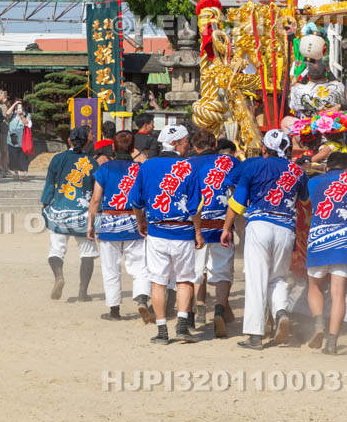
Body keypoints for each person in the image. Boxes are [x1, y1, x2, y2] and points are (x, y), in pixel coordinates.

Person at [221, 129, 309, 350]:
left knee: (256, 279)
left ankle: (255, 334)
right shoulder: (297, 171)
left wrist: (226, 228)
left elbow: (237, 204)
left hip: (259, 225)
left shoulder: (253, 167)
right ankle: (280, 312)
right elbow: (305, 201)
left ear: (264, 149)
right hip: (286, 228)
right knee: (278, 277)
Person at [129, 125, 202, 345]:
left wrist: (141, 221)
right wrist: (198, 231)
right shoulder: (188, 166)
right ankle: (182, 326)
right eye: (186, 141)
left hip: (157, 231)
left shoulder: (147, 166)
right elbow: (194, 206)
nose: (188, 145)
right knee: (185, 279)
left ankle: (162, 331)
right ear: (176, 143)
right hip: (183, 231)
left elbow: (135, 201)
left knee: (158, 282)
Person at [87, 130, 152, 322]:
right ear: (133, 148)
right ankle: (142, 298)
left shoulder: (105, 169)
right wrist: (144, 221)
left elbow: (96, 200)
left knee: (110, 269)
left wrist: (91, 225)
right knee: (140, 266)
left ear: (113, 148)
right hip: (135, 222)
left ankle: (114, 310)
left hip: (109, 224)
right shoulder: (140, 169)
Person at [305, 151, 347, 355]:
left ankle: (319, 323)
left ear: (327, 166)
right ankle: (332, 341)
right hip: (344, 239)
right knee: (338, 293)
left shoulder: (314, 182)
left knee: (315, 286)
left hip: (318, 237)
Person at [188, 128, 239, 336]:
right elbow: (240, 191)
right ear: (215, 145)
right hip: (222, 224)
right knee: (223, 271)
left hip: (195, 225)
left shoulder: (188, 164)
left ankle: (194, 311)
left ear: (195, 146)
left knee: (194, 271)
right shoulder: (231, 162)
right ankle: (219, 309)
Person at [40, 125, 99, 301]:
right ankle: (82, 293)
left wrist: (45, 203)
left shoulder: (57, 159)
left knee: (56, 250)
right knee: (87, 252)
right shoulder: (92, 163)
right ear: (87, 142)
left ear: (69, 141)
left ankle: (59, 276)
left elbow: (49, 183)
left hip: (59, 210)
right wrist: (98, 213)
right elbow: (97, 193)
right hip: (83, 213)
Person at [7, 100, 32, 179]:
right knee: (13, 156)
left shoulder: (27, 114)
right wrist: (14, 104)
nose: (19, 108)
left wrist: (21, 115)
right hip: (12, 139)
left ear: (23, 107)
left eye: (20, 106)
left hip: (22, 139)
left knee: (23, 157)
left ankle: (25, 173)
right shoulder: (13, 114)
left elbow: (27, 124)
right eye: (17, 106)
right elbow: (7, 113)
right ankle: (16, 173)